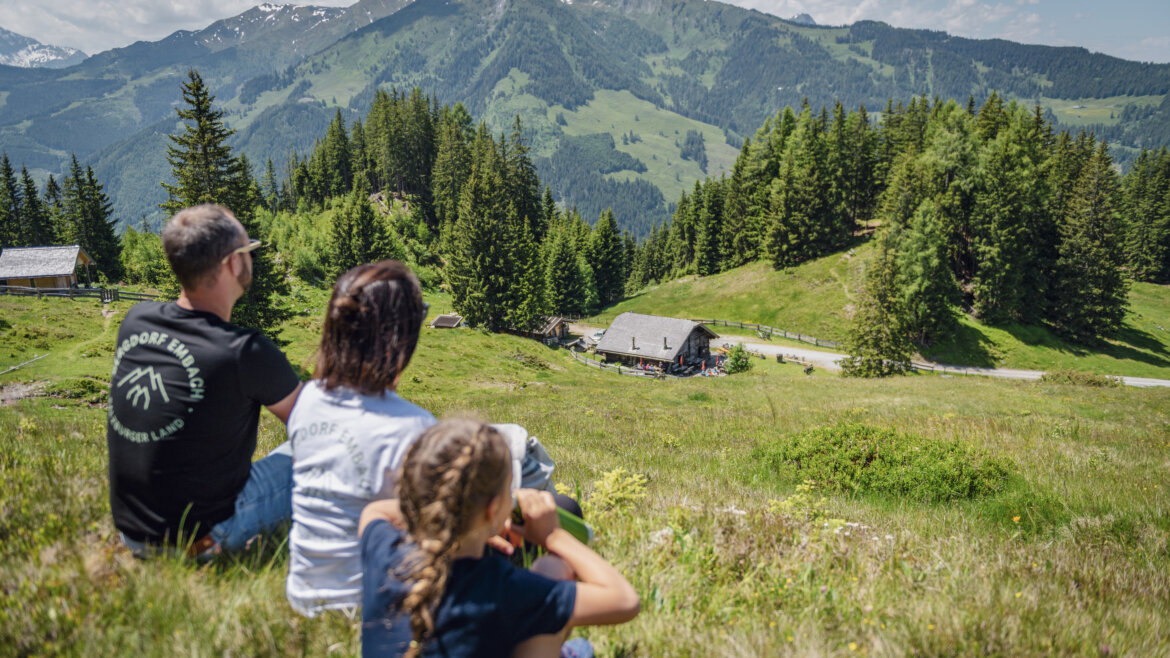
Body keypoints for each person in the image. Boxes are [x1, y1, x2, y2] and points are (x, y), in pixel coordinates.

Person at [106, 204, 303, 557]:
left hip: (132, 535)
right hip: (202, 540)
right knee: (317, 449)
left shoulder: (135, 321)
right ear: (233, 263)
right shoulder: (244, 351)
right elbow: (317, 425)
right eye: (249, 250)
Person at [359, 419, 640, 658]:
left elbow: (375, 511)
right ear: (493, 509)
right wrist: (553, 535)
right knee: (553, 570)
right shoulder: (504, 590)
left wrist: (460, 518)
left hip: (462, 516)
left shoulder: (386, 554)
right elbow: (625, 601)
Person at [285, 260, 435, 616]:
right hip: (372, 605)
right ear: (401, 337)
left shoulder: (308, 399)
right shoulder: (415, 427)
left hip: (303, 596)